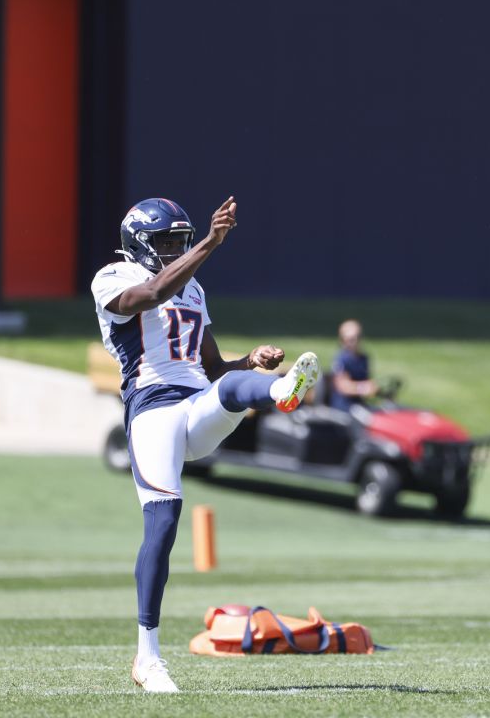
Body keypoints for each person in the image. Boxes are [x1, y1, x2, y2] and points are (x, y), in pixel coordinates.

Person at [91, 196, 320, 693]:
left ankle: (280, 391)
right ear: (138, 244)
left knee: (235, 390)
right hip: (152, 413)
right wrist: (213, 243)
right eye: (166, 244)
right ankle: (147, 658)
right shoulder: (113, 276)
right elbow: (147, 296)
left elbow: (214, 369)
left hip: (195, 406)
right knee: (164, 523)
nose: (175, 252)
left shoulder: (192, 287)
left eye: (181, 243)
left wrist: (252, 360)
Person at [330, 319, 376, 411]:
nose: (354, 342)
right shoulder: (341, 359)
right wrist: (364, 388)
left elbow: (366, 380)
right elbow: (342, 386)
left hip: (360, 403)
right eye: (350, 339)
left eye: (357, 338)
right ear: (342, 340)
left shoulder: (363, 358)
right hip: (344, 406)